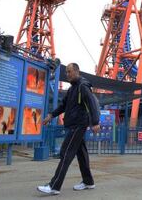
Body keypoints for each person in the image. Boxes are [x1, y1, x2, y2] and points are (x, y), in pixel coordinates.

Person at [37, 63, 101, 195]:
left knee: (66, 152)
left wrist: (95, 122)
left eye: (70, 71)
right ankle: (88, 182)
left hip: (79, 125)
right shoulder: (72, 89)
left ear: (77, 71)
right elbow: (63, 105)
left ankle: (54, 186)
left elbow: (92, 103)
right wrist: (51, 115)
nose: (67, 74)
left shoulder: (83, 86)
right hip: (74, 125)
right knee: (81, 154)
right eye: (66, 72)